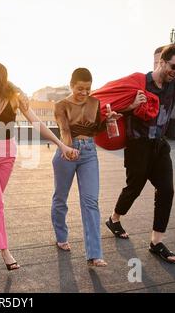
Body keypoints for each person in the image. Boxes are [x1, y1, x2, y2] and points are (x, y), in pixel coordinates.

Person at [105, 45, 175, 264]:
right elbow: (112, 108)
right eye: (174, 66)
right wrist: (132, 106)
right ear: (161, 62)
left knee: (167, 190)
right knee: (134, 187)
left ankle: (156, 242)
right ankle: (114, 219)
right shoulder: (138, 84)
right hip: (137, 146)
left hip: (160, 146)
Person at [0, 61, 79, 270]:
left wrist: (60, 144)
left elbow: (37, 123)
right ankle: (4, 250)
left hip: (7, 156)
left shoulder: (14, 99)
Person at [52, 68, 122, 267]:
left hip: (89, 153)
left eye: (88, 89)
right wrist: (69, 148)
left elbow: (95, 129)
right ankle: (61, 236)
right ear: (71, 85)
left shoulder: (95, 103)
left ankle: (94, 254)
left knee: (90, 201)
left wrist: (108, 121)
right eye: (80, 89)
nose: (84, 93)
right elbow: (65, 129)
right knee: (60, 197)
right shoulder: (61, 105)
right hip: (67, 151)